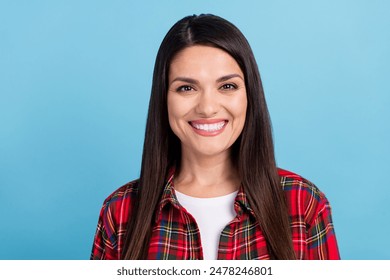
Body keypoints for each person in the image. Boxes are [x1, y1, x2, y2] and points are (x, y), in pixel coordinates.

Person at [90, 14, 340, 260]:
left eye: (227, 86)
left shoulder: (304, 203)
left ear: (249, 95)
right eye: (186, 88)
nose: (208, 107)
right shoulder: (120, 210)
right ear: (163, 98)